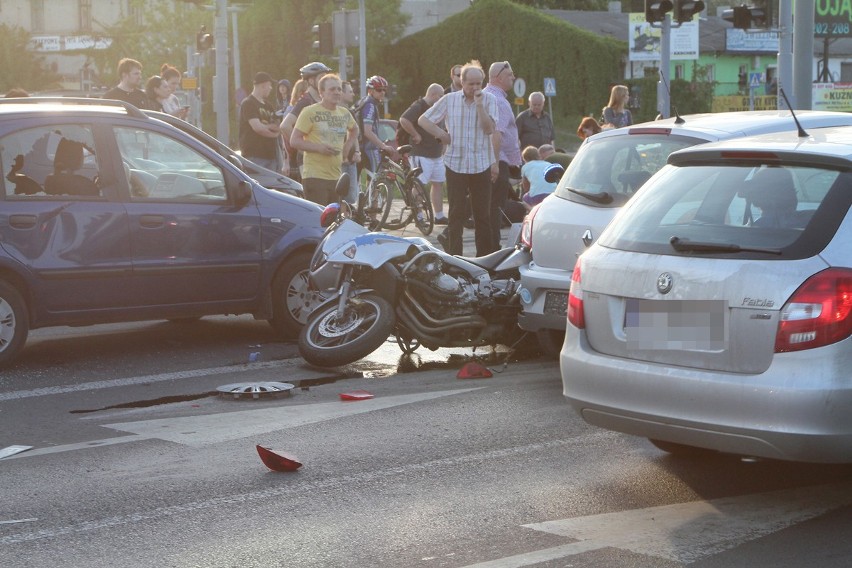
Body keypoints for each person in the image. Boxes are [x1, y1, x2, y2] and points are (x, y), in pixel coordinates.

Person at [419, 60, 498, 256]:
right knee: (456, 214)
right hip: (456, 163)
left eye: (478, 83)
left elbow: (489, 129)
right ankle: (455, 257)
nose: (475, 87)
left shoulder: (489, 100)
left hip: (481, 163)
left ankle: (484, 258)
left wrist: (480, 106)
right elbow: (423, 119)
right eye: (471, 83)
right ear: (461, 83)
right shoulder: (450, 99)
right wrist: (441, 134)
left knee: (482, 215)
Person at [290, 74, 358, 206]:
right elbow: (294, 141)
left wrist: (347, 147)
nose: (337, 92)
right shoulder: (310, 111)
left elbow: (355, 129)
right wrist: (319, 148)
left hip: (336, 176)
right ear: (321, 92)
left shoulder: (344, 113)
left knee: (333, 221)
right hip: (315, 176)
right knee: (319, 220)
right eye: (332, 89)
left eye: (339, 89)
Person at [483, 60, 522, 248]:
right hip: (497, 161)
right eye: (510, 74)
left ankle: (486, 245)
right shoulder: (498, 101)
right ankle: (492, 247)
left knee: (484, 204)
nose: (513, 77)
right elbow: (496, 134)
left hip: (487, 160)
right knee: (495, 207)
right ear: (498, 77)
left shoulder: (486, 96)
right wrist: (495, 163)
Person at [399, 83, 447, 224]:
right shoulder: (419, 105)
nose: (442, 99)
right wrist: (415, 134)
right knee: (419, 184)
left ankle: (439, 216)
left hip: (436, 153)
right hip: (421, 153)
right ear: (433, 95)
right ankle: (418, 215)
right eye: (440, 96)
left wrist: (443, 143)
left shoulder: (437, 108)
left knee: (438, 183)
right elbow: (404, 119)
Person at [281, 62, 333, 178]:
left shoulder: (320, 100)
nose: (324, 81)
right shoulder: (305, 101)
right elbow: (285, 126)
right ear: (310, 80)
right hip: (308, 161)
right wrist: (301, 146)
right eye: (321, 78)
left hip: (322, 159)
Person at [238, 72, 283, 172]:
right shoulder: (248, 103)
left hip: (271, 156)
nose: (271, 88)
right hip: (254, 156)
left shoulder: (268, 105)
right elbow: (257, 128)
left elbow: (278, 126)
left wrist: (267, 127)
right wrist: (274, 133)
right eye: (269, 85)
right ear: (263, 85)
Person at [360, 75, 396, 174]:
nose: (383, 92)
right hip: (369, 148)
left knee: (367, 181)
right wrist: (382, 145)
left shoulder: (362, 101)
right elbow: (367, 131)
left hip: (360, 147)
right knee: (377, 177)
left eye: (385, 90)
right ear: (370, 90)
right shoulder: (370, 105)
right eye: (379, 89)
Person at [340, 80, 362, 204]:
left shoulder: (350, 112)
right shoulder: (336, 112)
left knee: (351, 197)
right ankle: (342, 220)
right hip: (341, 161)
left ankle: (346, 219)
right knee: (341, 195)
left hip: (352, 160)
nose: (353, 94)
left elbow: (354, 134)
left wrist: (357, 151)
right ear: (341, 93)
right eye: (350, 91)